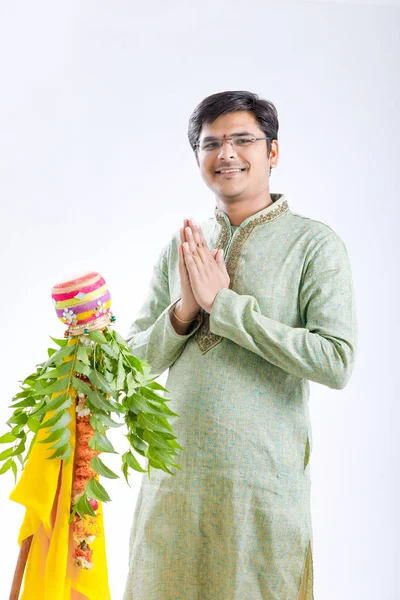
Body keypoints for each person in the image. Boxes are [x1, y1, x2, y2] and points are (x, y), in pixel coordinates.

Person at [122, 90, 358, 600]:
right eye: (211, 143)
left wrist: (224, 308)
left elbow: (337, 360)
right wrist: (184, 312)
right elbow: (129, 367)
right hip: (173, 481)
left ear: (272, 152)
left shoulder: (314, 245)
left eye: (242, 140)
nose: (226, 153)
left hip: (261, 487)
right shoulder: (183, 245)